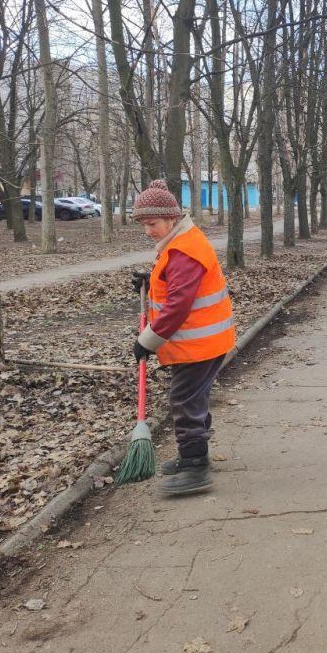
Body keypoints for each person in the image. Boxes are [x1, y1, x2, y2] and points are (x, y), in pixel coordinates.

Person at [130, 179, 235, 496]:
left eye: (153, 224)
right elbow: (174, 282)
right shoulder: (180, 242)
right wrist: (151, 280)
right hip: (200, 342)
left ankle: (194, 466)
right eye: (144, 225)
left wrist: (146, 341)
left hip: (199, 344)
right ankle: (194, 453)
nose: (149, 231)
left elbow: (178, 305)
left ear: (171, 219)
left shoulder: (184, 250)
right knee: (193, 398)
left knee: (185, 399)